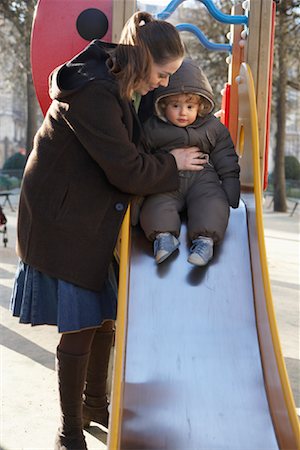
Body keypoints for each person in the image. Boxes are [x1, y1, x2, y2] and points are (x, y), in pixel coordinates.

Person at [9, 12, 207, 450]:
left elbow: (129, 151)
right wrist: (173, 165)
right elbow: (126, 167)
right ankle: (69, 429)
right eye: (162, 74)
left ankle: (96, 404)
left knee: (104, 318)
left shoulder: (114, 81)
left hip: (86, 215)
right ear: (140, 58)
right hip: (63, 220)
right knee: (80, 324)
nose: (162, 84)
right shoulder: (95, 92)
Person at [139, 58, 240, 266]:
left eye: (190, 106)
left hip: (202, 180)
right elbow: (141, 153)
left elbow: (225, 154)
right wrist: (137, 196)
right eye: (175, 105)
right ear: (163, 105)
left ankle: (205, 241)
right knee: (155, 205)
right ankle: (164, 238)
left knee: (213, 202)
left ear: (200, 106)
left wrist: (230, 183)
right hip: (167, 181)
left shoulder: (212, 128)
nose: (183, 112)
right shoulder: (153, 128)